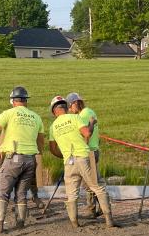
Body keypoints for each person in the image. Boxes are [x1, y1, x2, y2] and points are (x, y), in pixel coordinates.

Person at [0, 86, 46, 235]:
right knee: (21, 194)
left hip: (13, 158)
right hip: (30, 160)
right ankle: (20, 223)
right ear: (26, 101)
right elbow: (41, 143)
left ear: (13, 100)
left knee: (3, 192)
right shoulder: (36, 117)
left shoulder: (9, 113)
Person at [48, 95, 113, 228]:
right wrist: (91, 124)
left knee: (72, 194)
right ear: (65, 107)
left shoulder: (53, 127)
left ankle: (75, 223)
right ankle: (109, 220)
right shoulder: (75, 117)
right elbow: (87, 134)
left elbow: (53, 149)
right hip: (83, 157)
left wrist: (65, 155)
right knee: (97, 186)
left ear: (54, 111)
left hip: (68, 162)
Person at [67, 91, 102, 218]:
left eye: (70, 107)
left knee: (89, 184)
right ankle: (95, 208)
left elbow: (87, 134)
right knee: (92, 181)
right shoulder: (90, 111)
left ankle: (92, 209)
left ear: (75, 103)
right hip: (94, 149)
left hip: (89, 151)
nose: (70, 111)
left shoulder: (83, 115)